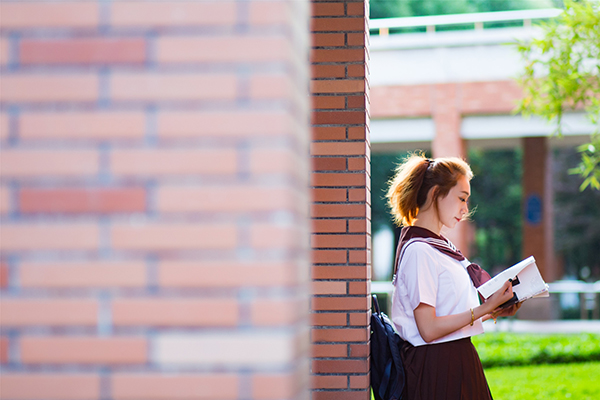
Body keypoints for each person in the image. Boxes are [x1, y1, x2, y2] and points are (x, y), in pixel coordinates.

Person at [386, 154, 521, 400]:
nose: (465, 209)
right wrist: (484, 309)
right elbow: (427, 329)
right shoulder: (420, 250)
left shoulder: (440, 246)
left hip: (454, 361)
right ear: (436, 193)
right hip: (436, 368)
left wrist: (493, 308)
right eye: (461, 198)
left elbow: (447, 311)